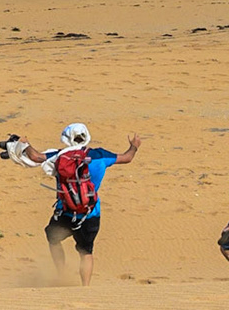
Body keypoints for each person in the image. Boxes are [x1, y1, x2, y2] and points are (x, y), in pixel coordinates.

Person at [15, 122, 141, 286]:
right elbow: (127, 158)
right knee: (86, 252)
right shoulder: (99, 155)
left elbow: (36, 157)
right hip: (91, 213)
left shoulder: (61, 156)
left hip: (66, 212)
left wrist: (25, 143)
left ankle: (61, 274)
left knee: (52, 237)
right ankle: (85, 287)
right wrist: (134, 146)